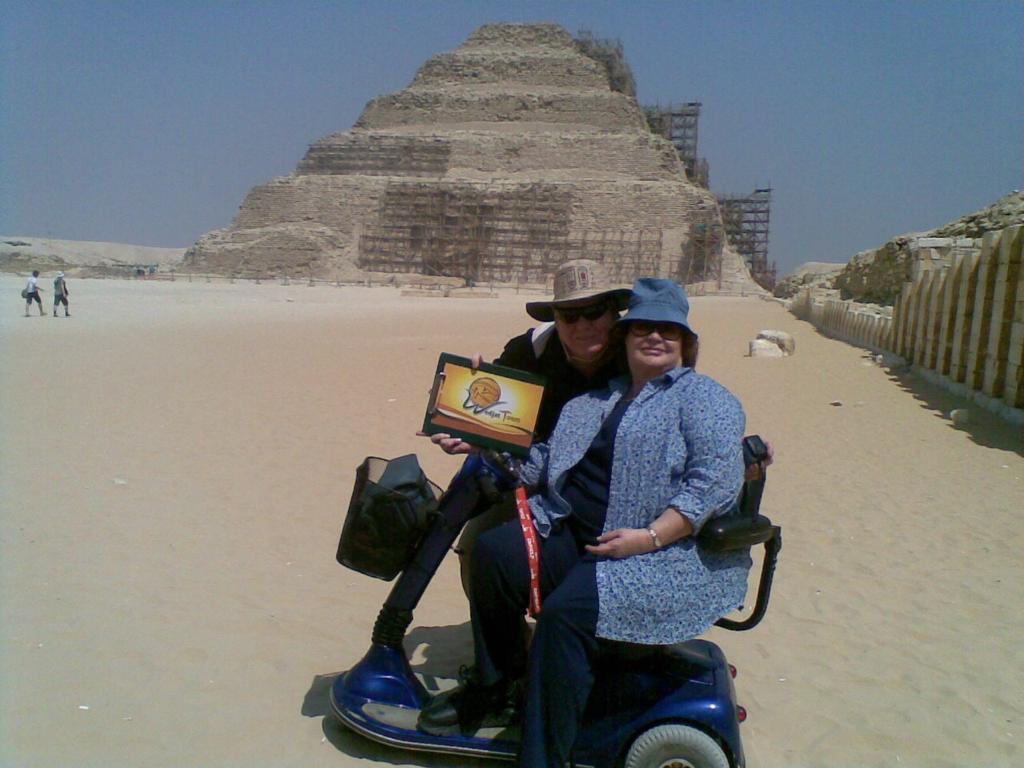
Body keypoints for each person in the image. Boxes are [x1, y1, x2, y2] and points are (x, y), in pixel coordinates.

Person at [418, 278, 751, 768]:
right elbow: (538, 465)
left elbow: (715, 484)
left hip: (657, 556)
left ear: (686, 343)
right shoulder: (591, 402)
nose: (654, 338)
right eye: (643, 329)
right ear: (627, 337)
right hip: (573, 533)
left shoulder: (703, 399)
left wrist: (649, 537)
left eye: (668, 331)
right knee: (491, 553)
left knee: (563, 617)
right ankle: (495, 686)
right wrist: (475, 436)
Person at [425, 259, 632, 591]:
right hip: (534, 478)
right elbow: (491, 413)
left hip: (612, 487)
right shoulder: (527, 353)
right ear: (555, 318)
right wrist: (467, 422)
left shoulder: (637, 353)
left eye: (594, 312)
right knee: (480, 546)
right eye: (570, 315)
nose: (583, 325)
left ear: (614, 314)